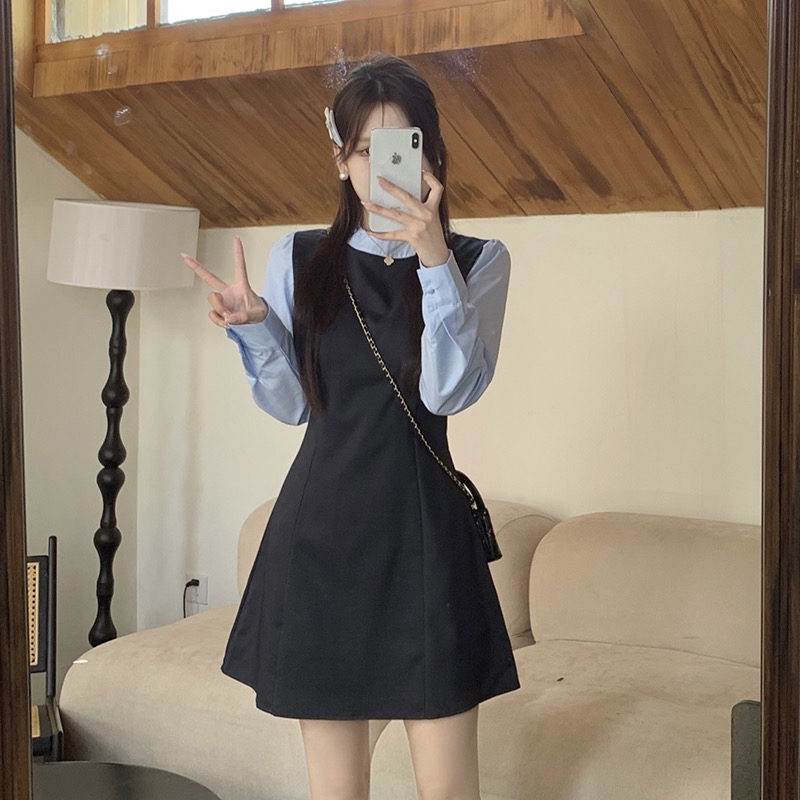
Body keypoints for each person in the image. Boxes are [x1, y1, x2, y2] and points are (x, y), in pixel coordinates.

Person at [183, 53, 518, 800]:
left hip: (426, 542)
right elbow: (294, 406)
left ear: (433, 154)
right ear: (340, 158)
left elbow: (447, 392)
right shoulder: (300, 257)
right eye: (366, 150)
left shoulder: (479, 261)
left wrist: (432, 259)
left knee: (449, 791)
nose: (381, 167)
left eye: (403, 147)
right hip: (322, 540)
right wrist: (255, 327)